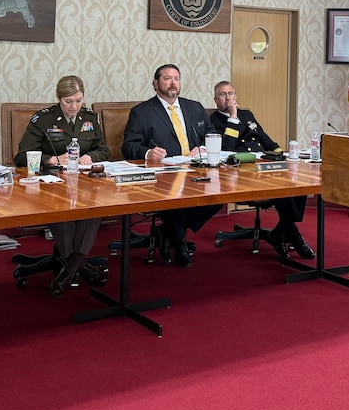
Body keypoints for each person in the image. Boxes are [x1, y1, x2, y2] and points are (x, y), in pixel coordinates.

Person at [14, 75, 110, 297]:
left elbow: (104, 150)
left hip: (84, 182)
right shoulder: (43, 119)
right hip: (53, 183)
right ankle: (77, 265)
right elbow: (21, 157)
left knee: (94, 207)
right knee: (62, 207)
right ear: (58, 98)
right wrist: (51, 160)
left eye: (78, 101)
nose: (74, 106)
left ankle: (70, 268)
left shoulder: (90, 118)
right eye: (68, 101)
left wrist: (91, 156)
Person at [121, 64, 220, 267]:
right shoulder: (142, 112)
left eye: (176, 78)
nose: (173, 83)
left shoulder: (195, 107)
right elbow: (128, 146)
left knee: (218, 194)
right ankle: (179, 242)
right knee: (174, 196)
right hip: (164, 174)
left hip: (195, 168)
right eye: (167, 79)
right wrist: (148, 153)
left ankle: (167, 231)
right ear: (156, 83)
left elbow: (211, 133)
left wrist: (202, 148)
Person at [209, 81, 314, 260]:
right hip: (241, 170)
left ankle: (281, 232)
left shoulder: (247, 114)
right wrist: (233, 117)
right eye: (223, 95)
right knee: (281, 187)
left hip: (263, 164)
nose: (228, 98)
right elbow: (226, 149)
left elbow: (265, 139)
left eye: (231, 93)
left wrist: (284, 155)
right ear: (215, 99)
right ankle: (292, 235)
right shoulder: (214, 120)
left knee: (295, 181)